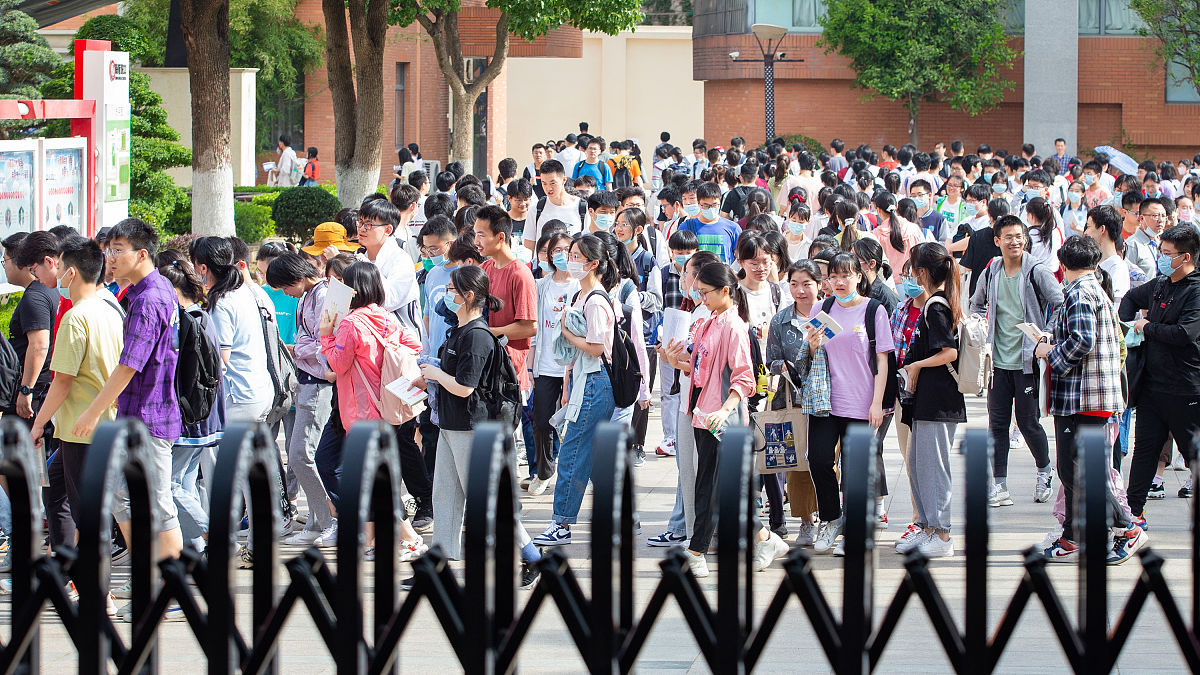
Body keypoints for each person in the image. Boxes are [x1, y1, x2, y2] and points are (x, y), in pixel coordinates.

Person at [660, 261, 787, 577]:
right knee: (729, 489)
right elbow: (700, 368)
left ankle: (696, 551)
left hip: (721, 420)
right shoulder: (710, 321)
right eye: (699, 292)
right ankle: (764, 539)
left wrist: (725, 409)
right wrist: (674, 359)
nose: (701, 297)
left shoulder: (734, 326)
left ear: (725, 291)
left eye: (705, 292)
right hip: (704, 413)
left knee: (709, 486)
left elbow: (743, 379)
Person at [418, 265, 541, 587]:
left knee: (487, 502)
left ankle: (531, 555)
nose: (446, 295)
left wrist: (435, 376)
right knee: (444, 496)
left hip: (471, 428)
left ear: (468, 296)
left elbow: (465, 386)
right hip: (451, 424)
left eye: (451, 290)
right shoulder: (460, 330)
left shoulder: (476, 336)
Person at [74, 217, 185, 569]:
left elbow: (129, 364)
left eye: (118, 250)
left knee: (157, 504)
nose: (110, 256)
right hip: (139, 414)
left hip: (149, 418)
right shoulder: (146, 292)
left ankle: (169, 591)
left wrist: (92, 413)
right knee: (124, 497)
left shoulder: (149, 298)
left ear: (141, 255)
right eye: (109, 249)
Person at [1033, 235, 1146, 563]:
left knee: (1084, 472)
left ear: (1063, 266)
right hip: (1087, 397)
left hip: (1086, 397)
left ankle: (1127, 528)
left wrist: (1050, 352)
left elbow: (1082, 340)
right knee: (1072, 471)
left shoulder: (1081, 292)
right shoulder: (1091, 289)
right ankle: (1073, 535)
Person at [319, 262, 427, 556]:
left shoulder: (351, 324)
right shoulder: (386, 317)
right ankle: (377, 538)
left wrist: (326, 335)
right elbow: (414, 343)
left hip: (362, 413)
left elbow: (338, 364)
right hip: (387, 406)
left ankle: (409, 538)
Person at [28, 237, 124, 557]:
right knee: (57, 493)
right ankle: (70, 571)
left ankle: (98, 596)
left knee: (87, 513)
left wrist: (38, 424)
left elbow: (63, 381)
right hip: (104, 424)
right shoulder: (110, 307)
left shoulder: (75, 317)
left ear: (70, 272)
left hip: (81, 430)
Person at [968, 215, 1063, 507]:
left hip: (1027, 362)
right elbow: (976, 302)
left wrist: (1046, 336)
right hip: (997, 362)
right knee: (997, 425)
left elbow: (1060, 304)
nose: (1015, 242)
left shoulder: (1037, 270)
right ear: (997, 241)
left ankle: (1044, 471)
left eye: (1019, 236)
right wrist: (977, 324)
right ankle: (1000, 486)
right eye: (1008, 237)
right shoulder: (992, 270)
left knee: (1028, 422)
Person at [533, 234, 619, 547]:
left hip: (596, 382)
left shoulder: (595, 300)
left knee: (571, 454)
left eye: (577, 256)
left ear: (594, 263)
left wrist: (567, 332)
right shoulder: (582, 296)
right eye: (570, 254)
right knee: (591, 456)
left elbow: (597, 348)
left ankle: (562, 523)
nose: (570, 260)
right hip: (587, 381)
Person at [805, 253, 895, 554]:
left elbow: (883, 361)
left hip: (862, 403)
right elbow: (814, 354)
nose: (839, 282)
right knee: (818, 459)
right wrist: (812, 345)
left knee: (856, 470)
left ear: (859, 276)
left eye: (846, 275)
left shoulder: (874, 311)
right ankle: (831, 519)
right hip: (826, 402)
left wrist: (877, 403)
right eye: (834, 276)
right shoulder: (822, 308)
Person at [1120, 225, 1200, 529]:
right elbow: (1130, 297)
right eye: (1161, 251)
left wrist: (1146, 327)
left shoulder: (1195, 290)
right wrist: (1130, 325)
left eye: (1167, 254)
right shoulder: (1160, 285)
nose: (1161, 258)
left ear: (1186, 257)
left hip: (1186, 390)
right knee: (1144, 453)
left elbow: (1185, 334)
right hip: (1152, 388)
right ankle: (1132, 515)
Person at [894, 243, 965, 559]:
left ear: (921, 272)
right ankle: (926, 528)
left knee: (933, 468)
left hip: (939, 400)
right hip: (926, 401)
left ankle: (943, 534)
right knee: (919, 466)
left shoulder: (936, 305)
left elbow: (949, 352)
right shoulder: (938, 302)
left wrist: (916, 365)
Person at [265, 253, 337, 547]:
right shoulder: (310, 295)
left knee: (301, 455)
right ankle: (318, 520)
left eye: (284, 287)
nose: (285, 294)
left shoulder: (326, 295)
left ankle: (329, 520)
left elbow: (324, 343)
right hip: (307, 380)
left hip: (320, 382)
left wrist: (300, 348)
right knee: (302, 455)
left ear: (296, 278)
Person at [156, 254, 224, 554]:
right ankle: (194, 546)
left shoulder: (184, 322)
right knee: (182, 483)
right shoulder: (203, 316)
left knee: (167, 484)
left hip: (188, 414)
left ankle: (213, 534)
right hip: (206, 412)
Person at [764, 259, 824, 547]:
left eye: (806, 284)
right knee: (798, 464)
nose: (800, 290)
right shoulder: (780, 320)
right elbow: (770, 361)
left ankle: (831, 518)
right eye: (794, 284)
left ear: (819, 285)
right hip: (793, 400)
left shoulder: (830, 316)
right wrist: (784, 367)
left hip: (828, 401)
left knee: (826, 462)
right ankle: (805, 521)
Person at [528, 231, 577, 495]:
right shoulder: (541, 285)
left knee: (576, 420)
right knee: (542, 420)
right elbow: (535, 327)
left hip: (574, 364)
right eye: (555, 251)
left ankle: (575, 472)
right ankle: (544, 472)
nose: (561, 255)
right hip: (547, 364)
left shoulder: (580, 286)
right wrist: (531, 363)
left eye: (566, 250)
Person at [523, 160, 587, 253]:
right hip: (543, 266)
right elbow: (529, 247)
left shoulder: (582, 208)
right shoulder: (536, 209)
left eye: (553, 183)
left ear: (563, 180)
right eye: (544, 183)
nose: (548, 188)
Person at [680, 181, 742, 264]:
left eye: (714, 205)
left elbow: (741, 257)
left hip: (722, 275)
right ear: (698, 203)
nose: (710, 209)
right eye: (706, 205)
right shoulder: (686, 226)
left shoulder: (733, 228)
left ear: (720, 203)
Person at [872, 191, 922, 273]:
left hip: (889, 280)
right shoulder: (914, 228)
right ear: (896, 206)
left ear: (878, 210)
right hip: (911, 279)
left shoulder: (876, 234)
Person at [1126, 197, 1168, 278]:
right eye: (1155, 216)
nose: (1160, 220)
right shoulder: (1132, 245)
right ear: (1142, 218)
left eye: (1163, 216)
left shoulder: (1160, 243)